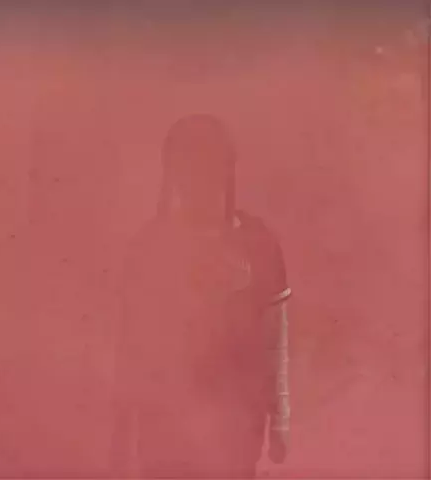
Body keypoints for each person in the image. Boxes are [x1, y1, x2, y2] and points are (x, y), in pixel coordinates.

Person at [111, 114, 291, 478]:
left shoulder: (257, 244)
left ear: (226, 172)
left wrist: (280, 418)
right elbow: (130, 349)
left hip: (236, 427)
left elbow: (275, 340)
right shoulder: (149, 248)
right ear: (173, 176)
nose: (198, 182)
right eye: (188, 171)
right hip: (164, 428)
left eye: (209, 169)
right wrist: (122, 435)